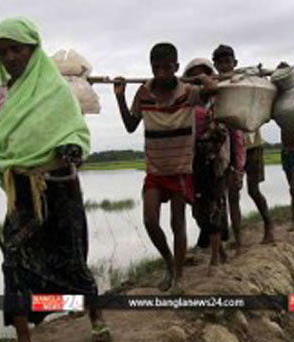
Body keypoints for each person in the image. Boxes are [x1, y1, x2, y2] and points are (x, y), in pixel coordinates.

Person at [0, 17, 110, 342]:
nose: (10, 56)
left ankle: (96, 318)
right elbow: (5, 145)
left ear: (32, 49)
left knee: (70, 257)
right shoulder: (4, 97)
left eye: (16, 49)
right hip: (22, 192)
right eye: (3, 51)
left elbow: (75, 130)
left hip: (57, 185)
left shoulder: (54, 89)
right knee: (14, 260)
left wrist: (71, 148)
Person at [113, 43, 218, 293]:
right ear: (151, 68)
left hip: (181, 168)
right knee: (150, 221)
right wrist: (120, 96)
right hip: (155, 170)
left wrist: (202, 77)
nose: (161, 73)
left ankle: (179, 278)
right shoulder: (143, 93)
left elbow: (214, 90)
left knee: (178, 224)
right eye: (156, 68)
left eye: (167, 68)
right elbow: (130, 125)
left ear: (176, 67)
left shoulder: (189, 92)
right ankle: (170, 265)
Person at [212, 44, 274, 250]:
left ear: (234, 62)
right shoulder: (216, 86)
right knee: (232, 195)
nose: (224, 66)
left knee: (254, 190)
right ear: (215, 65)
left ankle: (269, 227)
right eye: (220, 63)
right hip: (229, 147)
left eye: (227, 62)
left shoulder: (246, 80)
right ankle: (238, 241)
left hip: (252, 144)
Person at [186, 58, 229, 269]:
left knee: (213, 208)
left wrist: (235, 166)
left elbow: (227, 136)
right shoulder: (186, 103)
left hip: (214, 164)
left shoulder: (218, 103)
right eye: (194, 76)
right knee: (197, 210)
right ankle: (219, 250)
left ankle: (214, 260)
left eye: (203, 75)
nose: (199, 82)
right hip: (191, 163)